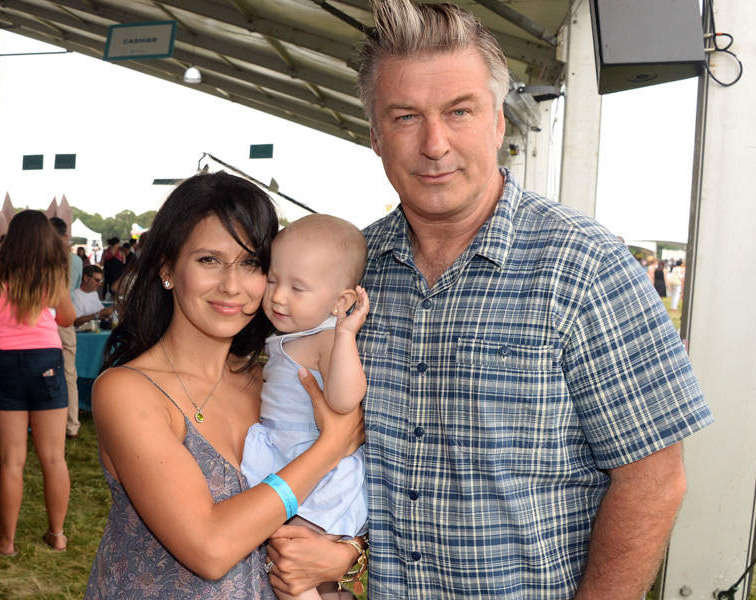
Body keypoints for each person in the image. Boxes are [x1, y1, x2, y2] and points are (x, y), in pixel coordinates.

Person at [267, 2, 714, 598]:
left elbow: (653, 480)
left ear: (498, 122)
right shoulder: (352, 272)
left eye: (460, 111)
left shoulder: (584, 266)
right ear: (375, 136)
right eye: (405, 117)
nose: (434, 143)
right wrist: (350, 554)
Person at [85, 172, 365, 599]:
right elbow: (210, 547)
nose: (233, 286)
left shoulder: (272, 381)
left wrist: (347, 552)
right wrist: (329, 447)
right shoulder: (129, 392)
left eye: (251, 263)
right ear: (167, 268)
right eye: (208, 260)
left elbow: (338, 503)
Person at [241, 214, 370, 600]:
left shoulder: (327, 339)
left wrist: (346, 336)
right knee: (309, 574)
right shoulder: (293, 333)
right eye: (273, 280)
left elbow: (346, 398)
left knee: (290, 564)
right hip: (294, 457)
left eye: (298, 288)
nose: (278, 296)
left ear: (340, 302)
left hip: (316, 468)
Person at [0, 210, 76, 556]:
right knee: (54, 458)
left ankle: (6, 542)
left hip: (1, 367)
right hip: (46, 361)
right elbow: (68, 318)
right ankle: (57, 535)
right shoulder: (51, 276)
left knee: (11, 461)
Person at [51, 217, 84, 439]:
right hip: (67, 316)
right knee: (69, 373)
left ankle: (52, 423)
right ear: (65, 236)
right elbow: (78, 285)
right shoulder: (76, 261)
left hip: (44, 319)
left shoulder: (40, 258)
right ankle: (72, 424)